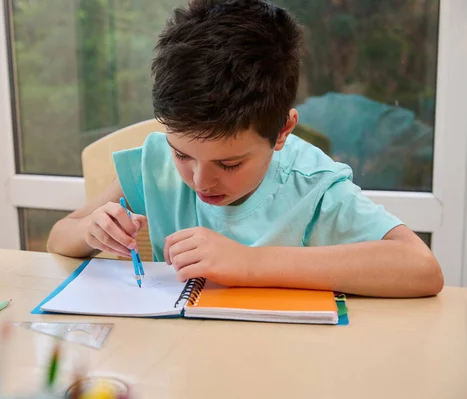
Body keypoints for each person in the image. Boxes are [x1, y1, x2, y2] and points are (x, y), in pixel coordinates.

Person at [47, 0, 443, 297]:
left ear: (282, 131)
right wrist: (92, 230)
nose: (200, 181)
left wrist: (248, 263)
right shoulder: (155, 164)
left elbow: (421, 268)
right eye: (182, 154)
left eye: (230, 163)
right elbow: (59, 237)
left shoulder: (309, 183)